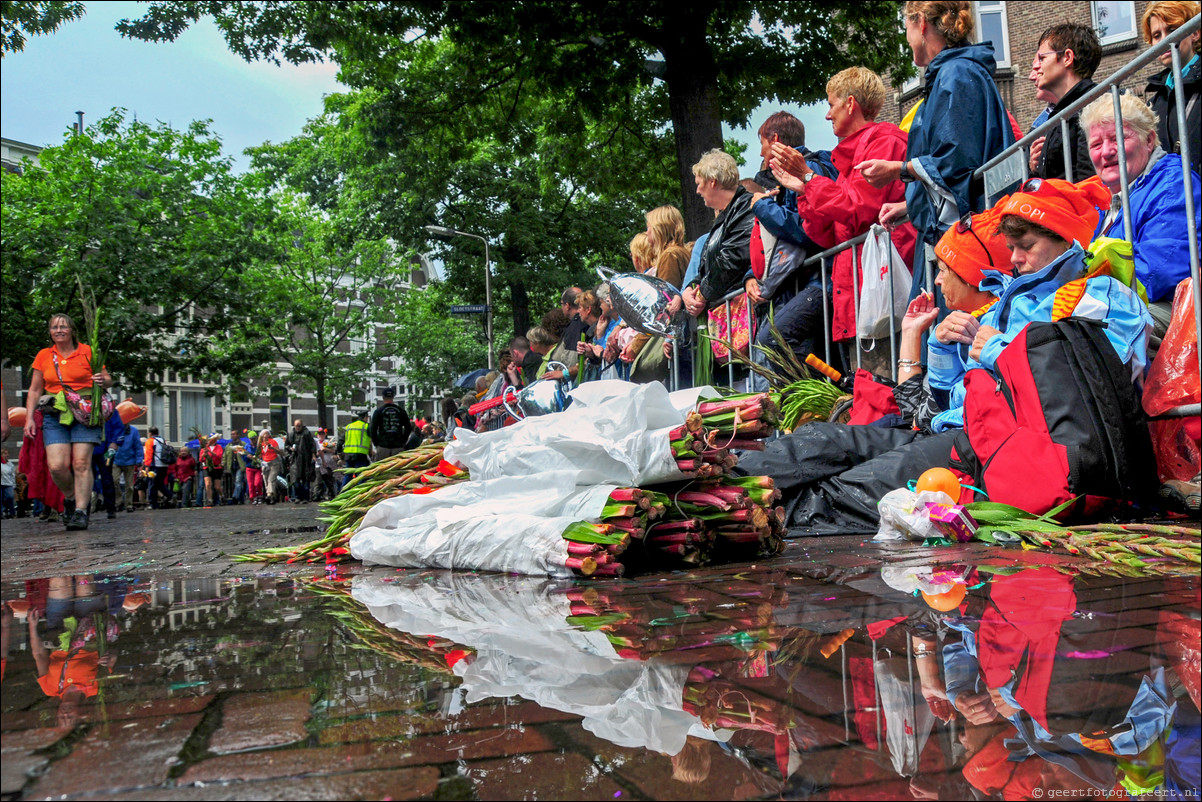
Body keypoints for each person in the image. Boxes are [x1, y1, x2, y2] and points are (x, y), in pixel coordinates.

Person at [864, 1, 1014, 290]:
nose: (906, 40)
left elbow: (956, 162)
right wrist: (912, 205)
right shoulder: (953, 73)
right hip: (953, 238)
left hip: (962, 244)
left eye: (906, 28)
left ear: (921, 23)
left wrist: (898, 169)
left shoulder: (955, 74)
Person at [771, 69, 918, 358]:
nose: (827, 115)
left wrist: (810, 179)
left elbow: (858, 210)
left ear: (850, 104)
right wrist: (804, 190)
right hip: (862, 298)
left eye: (830, 104)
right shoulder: (852, 156)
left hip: (882, 295)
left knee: (884, 388)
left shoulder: (884, 142)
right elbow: (828, 236)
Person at [1083, 92, 1202, 312]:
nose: (1106, 152)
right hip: (1119, 306)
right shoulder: (1106, 204)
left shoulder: (1172, 185)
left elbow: (1158, 272)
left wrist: (1082, 294)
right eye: (1096, 144)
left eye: (1118, 138)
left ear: (1148, 140)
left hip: (1163, 311)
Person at [22, 313, 113, 531]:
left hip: (85, 411)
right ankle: (71, 497)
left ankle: (81, 511)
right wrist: (29, 418)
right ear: (50, 332)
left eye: (63, 326)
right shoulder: (44, 355)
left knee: (81, 462)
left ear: (72, 330)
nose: (58, 330)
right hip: (54, 412)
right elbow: (35, 389)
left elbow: (108, 379)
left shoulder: (88, 352)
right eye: (54, 327)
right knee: (57, 466)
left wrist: (103, 380)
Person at [681, 149, 755, 318]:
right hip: (728, 314)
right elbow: (707, 265)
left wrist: (702, 294)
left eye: (699, 184)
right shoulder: (725, 215)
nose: (698, 191)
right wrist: (690, 288)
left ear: (712, 182)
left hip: (745, 313)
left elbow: (733, 258)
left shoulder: (746, 206)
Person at [1027, 23, 1102, 181]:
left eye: (1042, 58)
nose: (1036, 67)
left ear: (1067, 58)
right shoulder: (1059, 115)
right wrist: (1036, 169)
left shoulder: (1096, 107)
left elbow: (1088, 181)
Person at [1142, 0, 1202, 177]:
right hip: (1175, 200)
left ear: (1195, 33)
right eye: (1157, 35)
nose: (1165, 40)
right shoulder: (1154, 102)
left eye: (1172, 30)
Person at [370, 387, 413, 460]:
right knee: (397, 470)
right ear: (393, 397)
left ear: (383, 397)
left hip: (383, 446)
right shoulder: (401, 411)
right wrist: (403, 441)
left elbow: (373, 429)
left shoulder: (378, 411)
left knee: (382, 469)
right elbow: (408, 427)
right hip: (398, 446)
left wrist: (377, 443)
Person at [112, 422, 142, 512]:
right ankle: (119, 501)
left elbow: (138, 446)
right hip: (116, 460)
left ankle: (129, 504)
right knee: (114, 481)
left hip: (129, 461)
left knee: (129, 485)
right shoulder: (115, 429)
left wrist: (139, 460)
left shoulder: (134, 431)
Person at [285, 419, 316, 502]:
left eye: (299, 426)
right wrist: (290, 449)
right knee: (295, 480)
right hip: (294, 459)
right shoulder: (291, 434)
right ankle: (298, 496)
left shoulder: (306, 433)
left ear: (302, 426)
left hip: (305, 458)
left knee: (306, 479)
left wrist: (313, 455)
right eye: (296, 426)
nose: (297, 427)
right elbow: (286, 445)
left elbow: (312, 445)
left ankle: (305, 497)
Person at [142, 427, 171, 510]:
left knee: (152, 484)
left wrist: (147, 466)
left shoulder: (150, 441)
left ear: (150, 433)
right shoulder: (163, 440)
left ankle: (153, 503)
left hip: (155, 465)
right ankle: (170, 495)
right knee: (159, 483)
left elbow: (148, 454)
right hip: (164, 465)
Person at [338, 410, 372, 477]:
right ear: (365, 417)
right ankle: (359, 487)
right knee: (360, 476)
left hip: (348, 454)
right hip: (360, 454)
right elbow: (372, 439)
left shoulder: (349, 426)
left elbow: (341, 440)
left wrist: (339, 451)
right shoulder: (366, 426)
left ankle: (345, 487)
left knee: (348, 475)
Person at [257, 428, 283, 504]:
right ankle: (272, 495)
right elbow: (259, 454)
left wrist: (273, 448)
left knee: (271, 479)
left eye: (266, 434)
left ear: (269, 435)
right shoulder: (261, 444)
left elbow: (280, 452)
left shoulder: (273, 442)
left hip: (274, 462)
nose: (265, 436)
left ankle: (269, 495)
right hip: (265, 463)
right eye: (263, 434)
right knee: (266, 480)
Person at [0, 449, 15, 519]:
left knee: (10, 497)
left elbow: (12, 475)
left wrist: (14, 485)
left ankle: (11, 512)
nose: (7, 455)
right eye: (5, 454)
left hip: (8, 483)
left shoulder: (10, 464)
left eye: (7, 454)